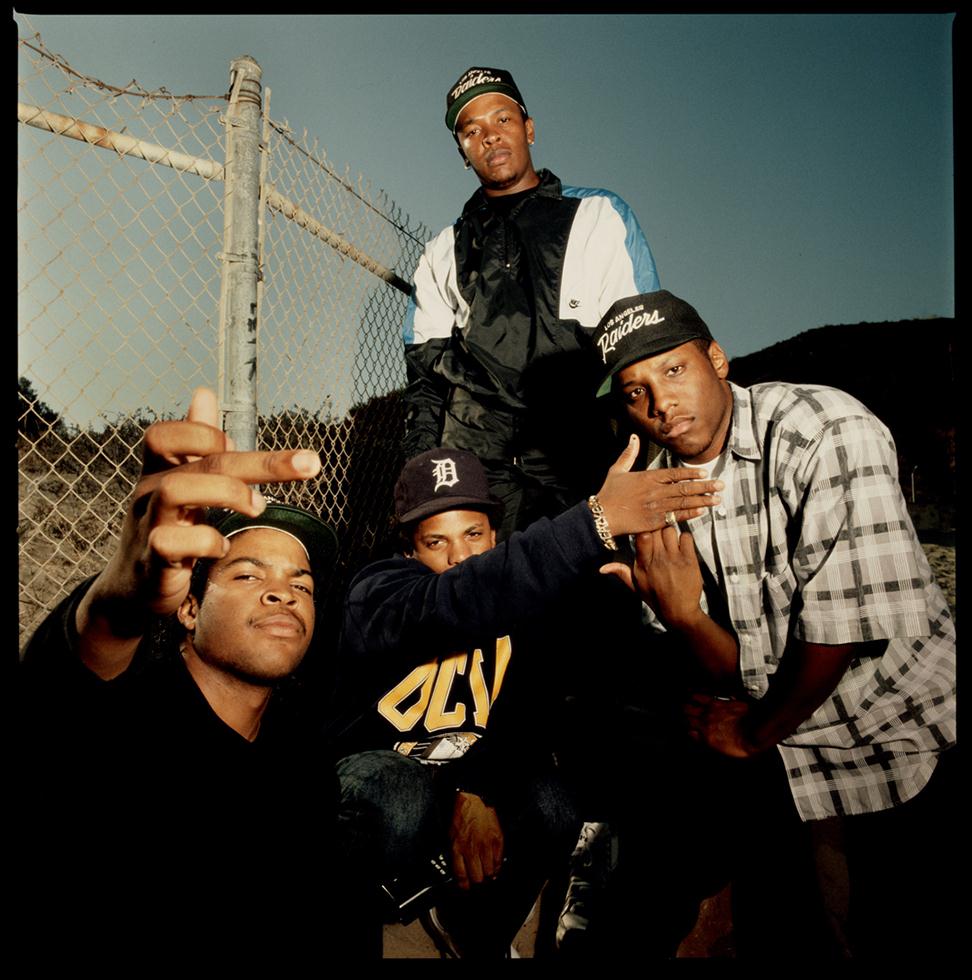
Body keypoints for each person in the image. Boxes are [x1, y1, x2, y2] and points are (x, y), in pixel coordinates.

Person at [587, 289, 958, 959]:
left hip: (904, 729)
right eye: (635, 391)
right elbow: (746, 665)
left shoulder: (825, 429)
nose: (660, 403)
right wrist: (682, 616)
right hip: (799, 744)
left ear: (717, 359)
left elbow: (837, 636)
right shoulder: (657, 491)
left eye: (673, 370)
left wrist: (755, 731)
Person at [326, 440, 725, 959]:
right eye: (435, 542)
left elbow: (527, 712)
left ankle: (473, 932)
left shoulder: (521, 603)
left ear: (496, 533)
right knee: (397, 788)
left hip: (459, 778)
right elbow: (454, 602)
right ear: (408, 549)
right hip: (376, 781)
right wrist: (593, 521)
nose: (460, 557)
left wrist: (474, 789)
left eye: (473, 535)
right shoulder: (377, 589)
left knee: (552, 800)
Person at [13, 387, 353, 962]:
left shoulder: (303, 755)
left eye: (303, 584)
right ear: (190, 609)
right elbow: (57, 710)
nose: (284, 591)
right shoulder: (123, 726)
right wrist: (115, 605)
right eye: (247, 575)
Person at [403, 66, 661, 538]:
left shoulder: (600, 215)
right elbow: (425, 384)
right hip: (478, 468)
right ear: (462, 151)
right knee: (484, 603)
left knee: (589, 599)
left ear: (529, 128)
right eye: (472, 130)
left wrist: (636, 453)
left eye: (502, 120)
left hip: (577, 460)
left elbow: (643, 349)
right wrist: (424, 481)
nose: (490, 138)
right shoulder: (441, 251)